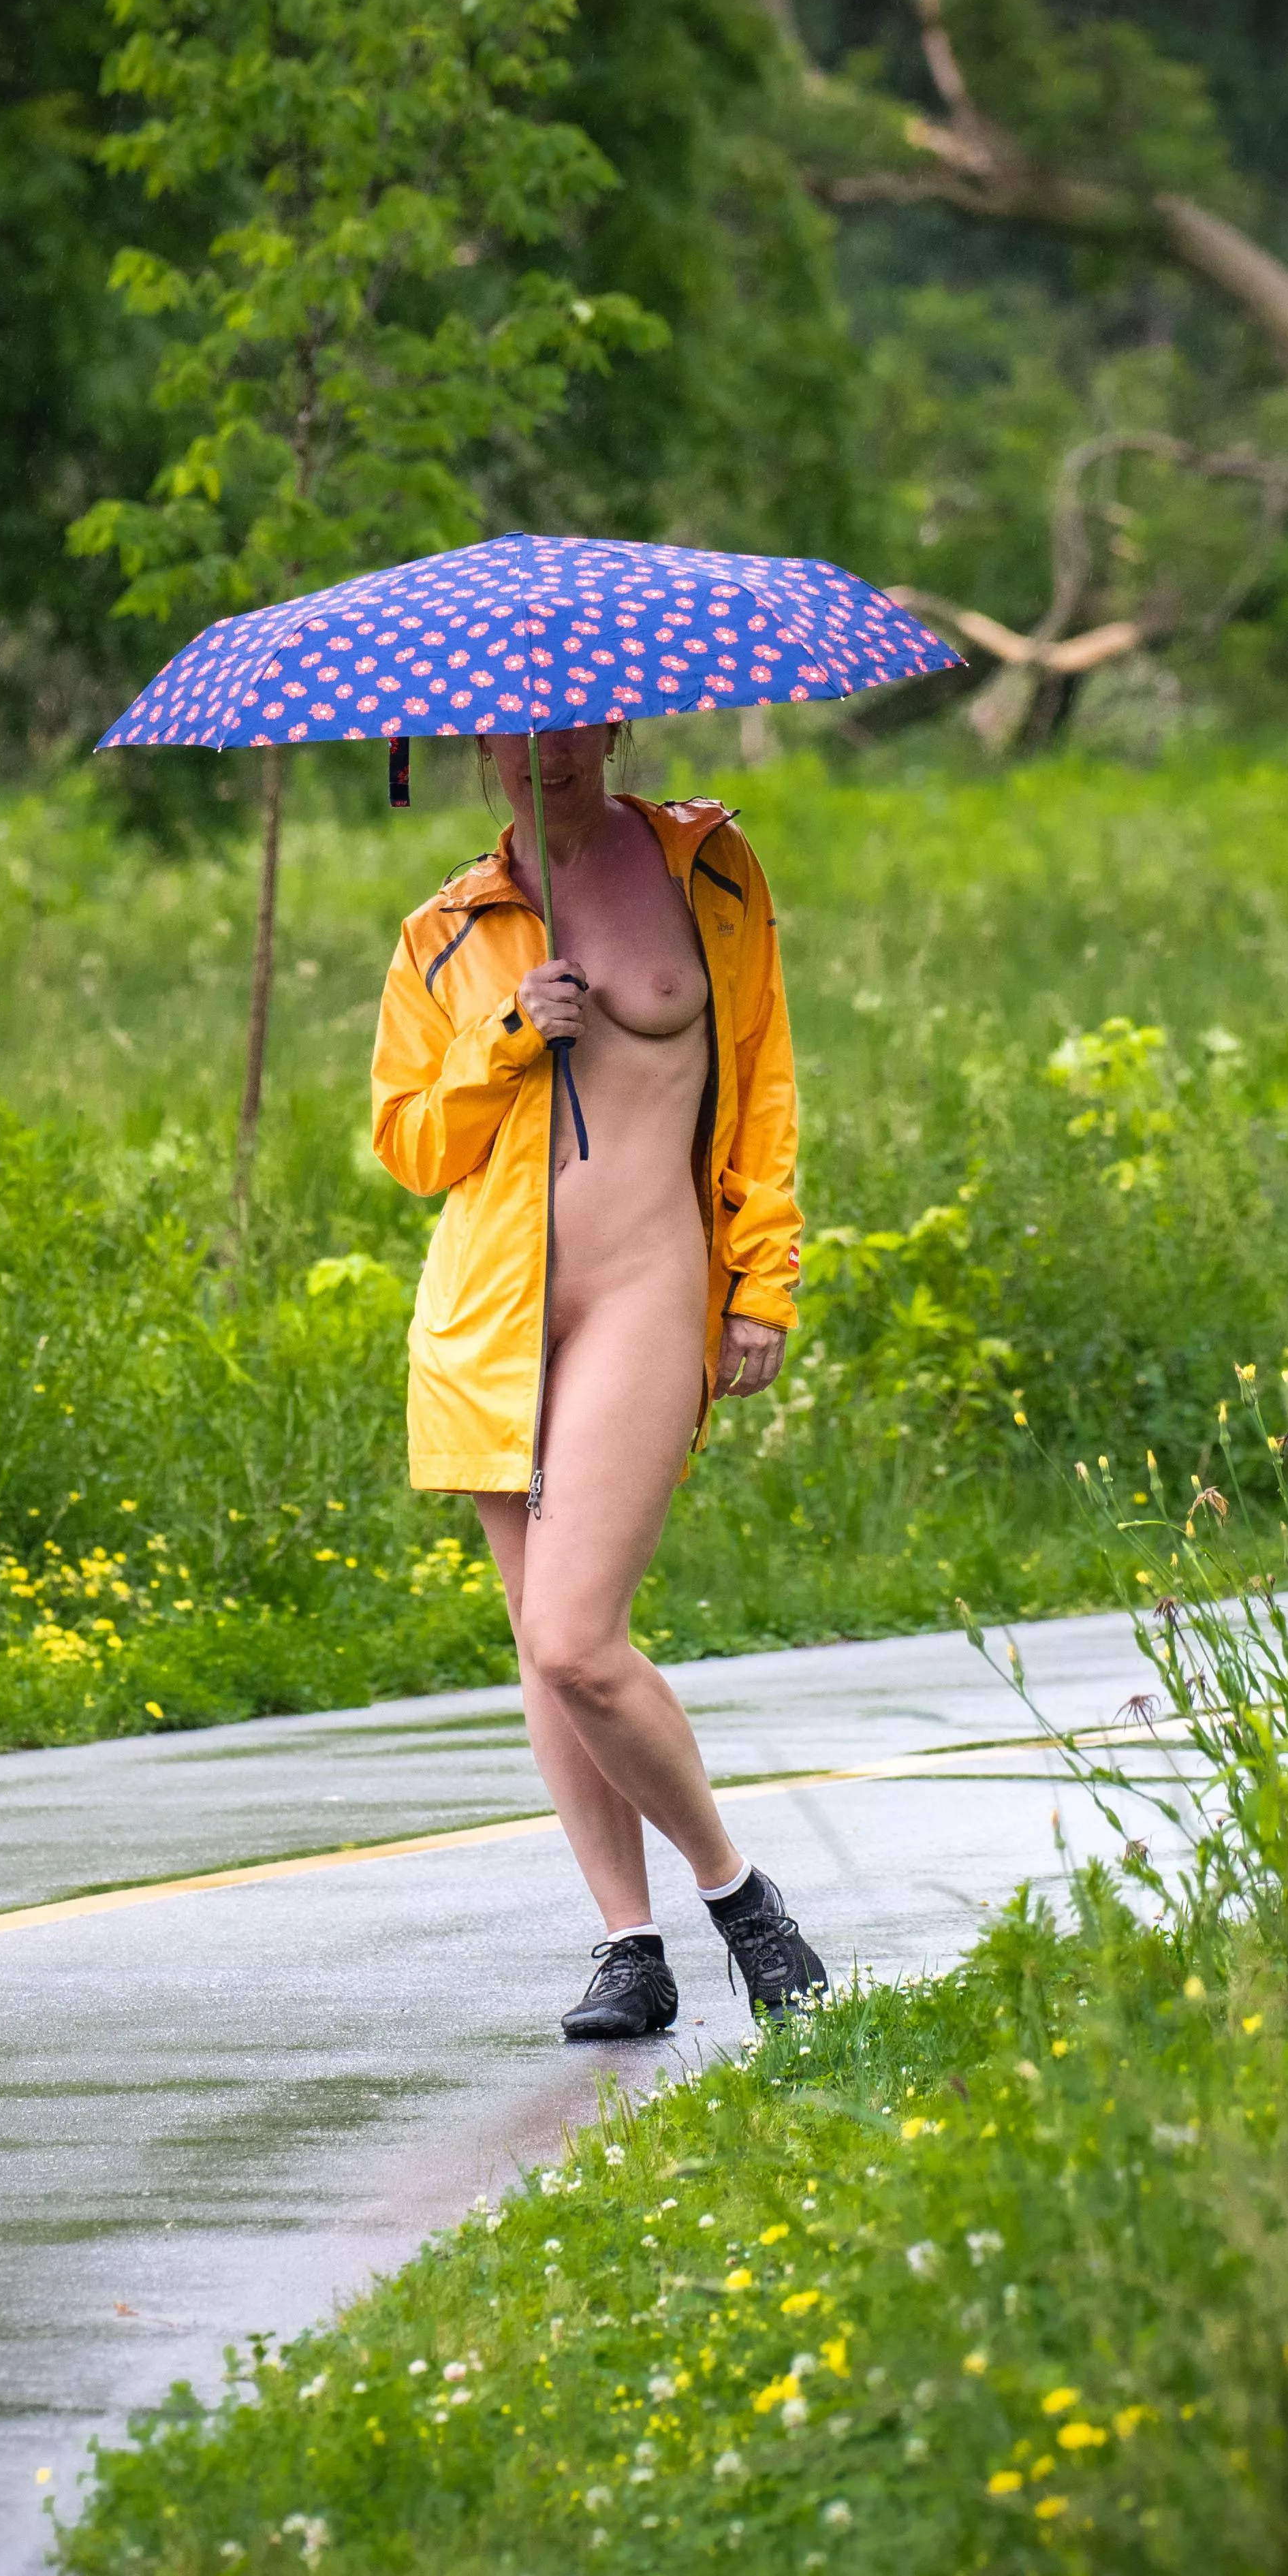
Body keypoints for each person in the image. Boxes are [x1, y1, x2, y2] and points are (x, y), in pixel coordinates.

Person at [369, 721, 826, 2039]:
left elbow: (766, 1088)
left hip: (645, 1283)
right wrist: (511, 1032)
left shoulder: (710, 868)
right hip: (490, 1315)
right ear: (476, 748)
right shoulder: (444, 930)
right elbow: (408, 1144)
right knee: (543, 1650)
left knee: (577, 1633)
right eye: (511, 738)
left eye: (566, 733)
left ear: (612, 727)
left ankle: (740, 1899)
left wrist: (762, 1280)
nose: (541, 756)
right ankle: (629, 1945)